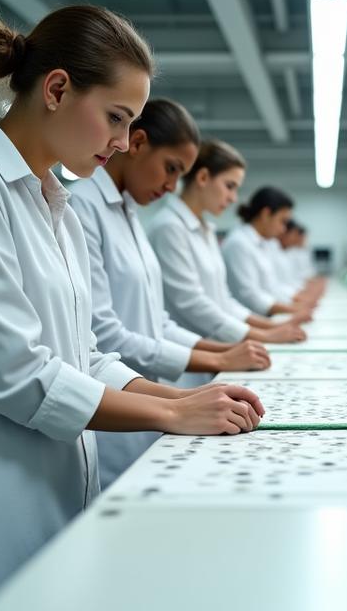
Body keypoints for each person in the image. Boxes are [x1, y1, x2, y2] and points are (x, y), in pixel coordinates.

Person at [0, 6, 263, 611]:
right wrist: (172, 410)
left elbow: (86, 353)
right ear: (56, 89)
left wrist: (181, 396)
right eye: (116, 117)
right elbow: (16, 375)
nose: (121, 142)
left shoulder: (53, 202)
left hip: (44, 519)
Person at [69, 98, 270, 485]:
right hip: (120, 409)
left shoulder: (128, 214)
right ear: (138, 143)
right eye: (171, 169)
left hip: (149, 398)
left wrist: (225, 355)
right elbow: (107, 335)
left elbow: (155, 319)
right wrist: (218, 359)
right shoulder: (83, 206)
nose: (171, 185)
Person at [147, 140, 309, 344]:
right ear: (203, 177)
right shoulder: (169, 227)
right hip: (187, 357)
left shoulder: (205, 230)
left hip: (215, 346)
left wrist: (272, 328)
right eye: (229, 186)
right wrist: (265, 334)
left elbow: (223, 301)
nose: (233, 198)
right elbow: (192, 303)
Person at [220, 186, 320, 318]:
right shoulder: (238, 243)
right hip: (250, 322)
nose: (284, 229)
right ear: (266, 214)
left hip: (264, 320)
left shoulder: (265, 243)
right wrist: (293, 309)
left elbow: (272, 288)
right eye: (282, 221)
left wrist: (297, 302)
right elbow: (250, 296)